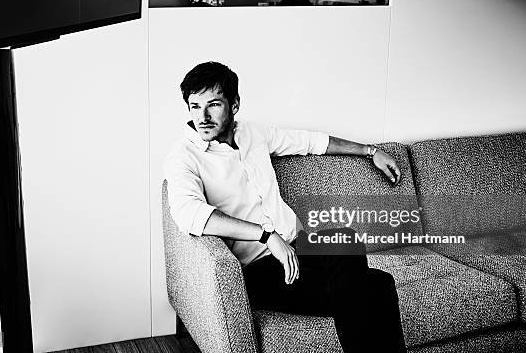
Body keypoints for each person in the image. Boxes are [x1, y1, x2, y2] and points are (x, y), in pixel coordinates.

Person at [164, 61, 407, 353]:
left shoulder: (253, 134)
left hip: (299, 248)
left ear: (235, 104)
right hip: (259, 270)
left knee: (365, 267)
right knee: (371, 287)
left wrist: (372, 151)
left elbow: (310, 142)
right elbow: (188, 214)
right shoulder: (184, 157)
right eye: (194, 106)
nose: (202, 116)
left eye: (213, 104)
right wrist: (267, 235)